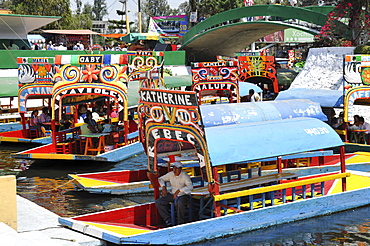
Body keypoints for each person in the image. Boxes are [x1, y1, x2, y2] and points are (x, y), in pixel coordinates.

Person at [155, 161, 193, 226]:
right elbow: (160, 179)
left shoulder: (185, 176)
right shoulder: (171, 174)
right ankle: (168, 220)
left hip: (183, 195)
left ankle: (180, 222)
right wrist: (163, 187)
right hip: (172, 194)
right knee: (159, 202)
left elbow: (190, 186)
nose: (175, 170)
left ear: (180, 169)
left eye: (177, 168)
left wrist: (179, 191)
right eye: (174, 168)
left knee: (180, 203)